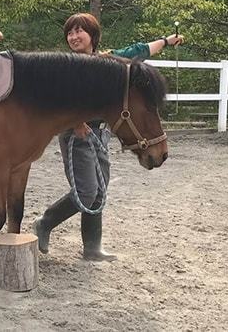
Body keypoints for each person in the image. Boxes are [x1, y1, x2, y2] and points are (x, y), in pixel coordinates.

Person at [31, 13, 183, 261]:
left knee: (100, 192)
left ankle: (92, 247)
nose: (73, 36)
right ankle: (45, 223)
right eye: (70, 32)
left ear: (93, 36)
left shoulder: (105, 61)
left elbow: (138, 51)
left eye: (79, 31)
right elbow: (57, 98)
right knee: (87, 191)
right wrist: (77, 122)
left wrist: (166, 41)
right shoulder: (66, 65)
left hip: (99, 134)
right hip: (75, 136)